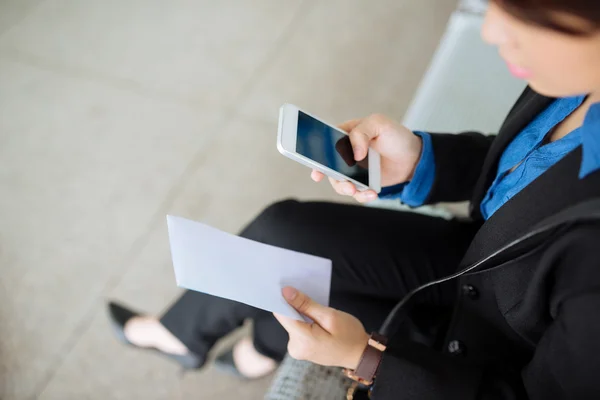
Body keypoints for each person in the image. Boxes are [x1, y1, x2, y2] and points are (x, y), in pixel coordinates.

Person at [108, 0, 600, 398]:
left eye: (523, 14)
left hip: (495, 350)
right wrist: (419, 160)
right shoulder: (579, 81)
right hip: (482, 256)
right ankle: (194, 337)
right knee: (282, 233)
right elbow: (535, 165)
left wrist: (365, 358)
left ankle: (250, 345)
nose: (491, 30)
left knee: (285, 301)